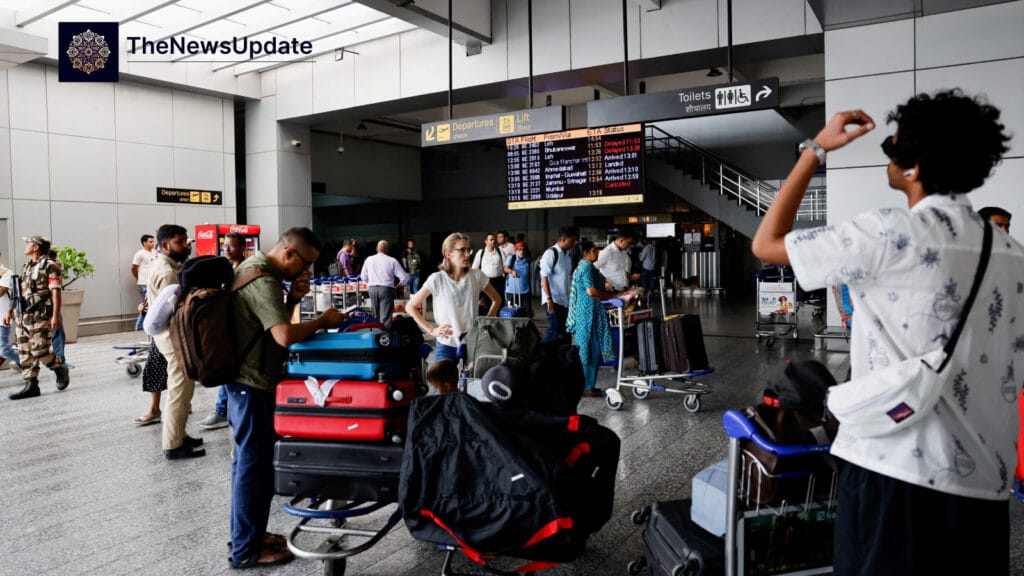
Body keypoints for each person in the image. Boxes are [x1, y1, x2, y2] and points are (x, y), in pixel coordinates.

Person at [751, 90, 1019, 575]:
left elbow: (766, 242)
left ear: (913, 168)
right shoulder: (1010, 253)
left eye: (891, 149)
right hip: (984, 485)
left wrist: (816, 149)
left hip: (894, 471)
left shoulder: (889, 232)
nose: (887, 160)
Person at [226, 227, 346, 570]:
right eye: (305, 263)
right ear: (289, 253)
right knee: (252, 467)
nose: (307, 271)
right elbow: (282, 336)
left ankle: (250, 535)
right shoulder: (261, 279)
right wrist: (322, 320)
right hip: (250, 384)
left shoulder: (255, 268)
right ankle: (246, 551)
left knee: (251, 465)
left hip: (247, 381)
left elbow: (266, 323)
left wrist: (293, 298)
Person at [148, 225, 205, 459]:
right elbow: (176, 311)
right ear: (165, 245)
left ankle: (179, 433)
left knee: (183, 388)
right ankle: (172, 444)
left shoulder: (168, 266)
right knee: (180, 390)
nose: (186, 245)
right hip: (173, 338)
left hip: (170, 336)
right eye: (180, 242)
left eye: (185, 241)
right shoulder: (167, 272)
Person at [407, 233, 501, 364]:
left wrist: (485, 322)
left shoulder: (477, 276)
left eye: (469, 249)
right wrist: (432, 330)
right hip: (446, 344)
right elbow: (410, 306)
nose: (468, 254)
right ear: (448, 253)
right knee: (440, 383)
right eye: (462, 250)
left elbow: (497, 299)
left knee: (472, 383)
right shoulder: (437, 279)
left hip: (472, 342)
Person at [5, 236, 69, 400]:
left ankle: (59, 368)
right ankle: (31, 385)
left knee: (39, 349)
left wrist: (55, 316)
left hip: (40, 315)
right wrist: (10, 310)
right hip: (23, 316)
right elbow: (19, 293)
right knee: (24, 351)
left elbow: (56, 291)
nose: (25, 246)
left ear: (36, 247)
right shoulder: (27, 266)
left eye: (28, 243)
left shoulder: (49, 265)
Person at [566, 240, 631, 398]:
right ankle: (586, 387)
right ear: (586, 253)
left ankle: (586, 385)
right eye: (594, 250)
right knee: (590, 349)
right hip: (589, 313)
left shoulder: (583, 266)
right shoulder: (586, 266)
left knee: (588, 349)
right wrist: (612, 296)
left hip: (587, 311)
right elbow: (591, 291)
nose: (598, 253)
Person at [197, 232, 247, 431]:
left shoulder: (246, 269)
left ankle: (222, 410)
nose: (226, 249)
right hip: (224, 326)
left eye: (231, 246)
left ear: (243, 248)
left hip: (241, 327)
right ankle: (222, 410)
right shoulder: (221, 269)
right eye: (225, 245)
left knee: (229, 370)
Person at [539, 227, 578, 342]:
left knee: (565, 331)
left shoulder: (567, 255)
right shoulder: (551, 253)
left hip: (564, 301)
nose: (573, 244)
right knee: (555, 329)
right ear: (564, 239)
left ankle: (563, 357)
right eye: (572, 241)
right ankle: (541, 354)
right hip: (553, 300)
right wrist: (549, 299)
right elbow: (544, 277)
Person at [361, 240, 407, 329]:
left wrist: (371, 283)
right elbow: (404, 277)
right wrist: (398, 286)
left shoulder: (369, 259)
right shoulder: (392, 260)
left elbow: (363, 276)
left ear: (376, 249)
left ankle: (375, 334)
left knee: (375, 314)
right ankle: (384, 337)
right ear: (387, 250)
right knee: (385, 316)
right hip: (387, 289)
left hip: (372, 289)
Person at [472, 233, 505, 315]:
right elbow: (474, 268)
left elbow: (505, 265)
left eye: (494, 239)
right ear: (486, 241)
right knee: (486, 304)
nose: (493, 241)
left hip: (499, 281)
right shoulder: (481, 252)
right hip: (486, 282)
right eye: (491, 240)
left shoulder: (500, 251)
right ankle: (487, 323)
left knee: (499, 303)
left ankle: (497, 324)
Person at [0, 252, 22, 371]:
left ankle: (25, 362)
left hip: (2, 318)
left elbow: (1, 292)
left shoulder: (6, 273)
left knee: (3, 349)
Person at [131, 234, 157, 331]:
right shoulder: (140, 254)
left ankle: (147, 325)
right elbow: (133, 268)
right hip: (143, 283)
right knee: (147, 304)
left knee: (152, 304)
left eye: (153, 241)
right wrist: (139, 278)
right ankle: (140, 325)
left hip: (153, 282)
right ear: (144, 243)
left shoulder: (155, 253)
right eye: (150, 241)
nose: (153, 243)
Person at [503, 242, 531, 318]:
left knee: (526, 313)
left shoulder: (527, 260)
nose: (521, 252)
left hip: (525, 291)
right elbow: (505, 268)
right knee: (511, 313)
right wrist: (512, 271)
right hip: (512, 290)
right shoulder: (511, 258)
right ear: (516, 250)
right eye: (519, 250)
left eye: (523, 250)